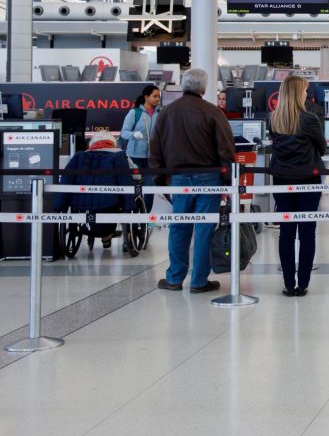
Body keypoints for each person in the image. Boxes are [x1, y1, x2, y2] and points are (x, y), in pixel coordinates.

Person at [150, 68, 236, 293]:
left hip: (179, 178)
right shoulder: (213, 112)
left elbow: (155, 148)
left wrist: (159, 180)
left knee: (179, 227)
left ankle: (174, 278)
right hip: (209, 176)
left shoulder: (166, 112)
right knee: (204, 228)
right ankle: (199, 281)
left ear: (183, 85)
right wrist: (228, 181)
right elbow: (226, 148)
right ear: (204, 88)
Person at [268, 75, 326, 297]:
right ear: (297, 93)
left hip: (282, 179)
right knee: (307, 231)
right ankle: (302, 284)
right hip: (308, 179)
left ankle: (288, 284)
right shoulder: (309, 118)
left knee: (286, 232)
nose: (306, 94)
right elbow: (321, 147)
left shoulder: (273, 119)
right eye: (304, 91)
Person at [54, 132, 136, 251]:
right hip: (109, 201)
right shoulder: (119, 155)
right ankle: (106, 237)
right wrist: (129, 205)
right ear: (112, 143)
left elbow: (67, 179)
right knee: (115, 202)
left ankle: (102, 236)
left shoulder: (79, 156)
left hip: (82, 202)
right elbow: (127, 177)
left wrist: (58, 205)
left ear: (92, 143)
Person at [120, 84, 160, 212]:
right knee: (134, 188)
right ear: (146, 97)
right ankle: (132, 214)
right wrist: (133, 135)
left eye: (159, 96)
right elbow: (123, 132)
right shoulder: (134, 113)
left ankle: (145, 218)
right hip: (135, 156)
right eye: (155, 96)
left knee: (150, 188)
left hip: (152, 158)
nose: (157, 99)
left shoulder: (159, 113)